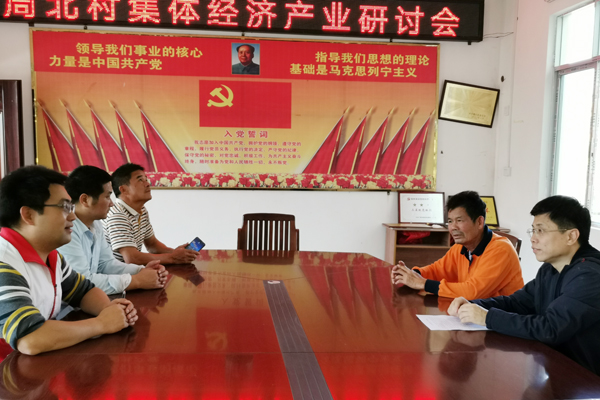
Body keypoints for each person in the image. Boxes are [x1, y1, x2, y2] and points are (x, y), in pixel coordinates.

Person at [449, 195, 600, 375]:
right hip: (555, 368)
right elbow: (517, 303)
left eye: (540, 231)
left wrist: (487, 318)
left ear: (571, 236)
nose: (533, 239)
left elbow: (551, 328)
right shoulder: (550, 269)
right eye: (533, 230)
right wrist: (472, 305)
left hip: (587, 380)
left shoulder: (590, 275)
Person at [0, 166, 137, 355]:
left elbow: (84, 291)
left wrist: (110, 309)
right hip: (9, 369)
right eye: (65, 207)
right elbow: (30, 338)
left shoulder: (52, 256)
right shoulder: (5, 264)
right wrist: (102, 324)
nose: (73, 216)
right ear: (29, 215)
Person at [391, 191, 523, 299]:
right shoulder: (460, 247)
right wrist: (410, 274)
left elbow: (473, 291)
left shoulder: (501, 250)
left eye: (459, 220)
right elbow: (437, 271)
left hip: (503, 318)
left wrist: (422, 283)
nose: (453, 227)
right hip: (473, 313)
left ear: (479, 222)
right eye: (450, 221)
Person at [58, 166, 168, 295]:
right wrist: (136, 280)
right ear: (85, 200)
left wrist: (141, 271)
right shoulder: (67, 230)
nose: (111, 203)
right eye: (107, 197)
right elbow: (81, 282)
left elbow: (105, 264)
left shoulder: (95, 224)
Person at [103, 163, 198, 265]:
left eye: (146, 179)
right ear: (124, 190)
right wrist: (173, 257)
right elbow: (131, 258)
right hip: (116, 273)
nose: (147, 184)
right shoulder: (117, 215)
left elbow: (152, 245)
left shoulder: (142, 210)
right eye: (140, 180)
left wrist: (177, 253)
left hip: (131, 270)